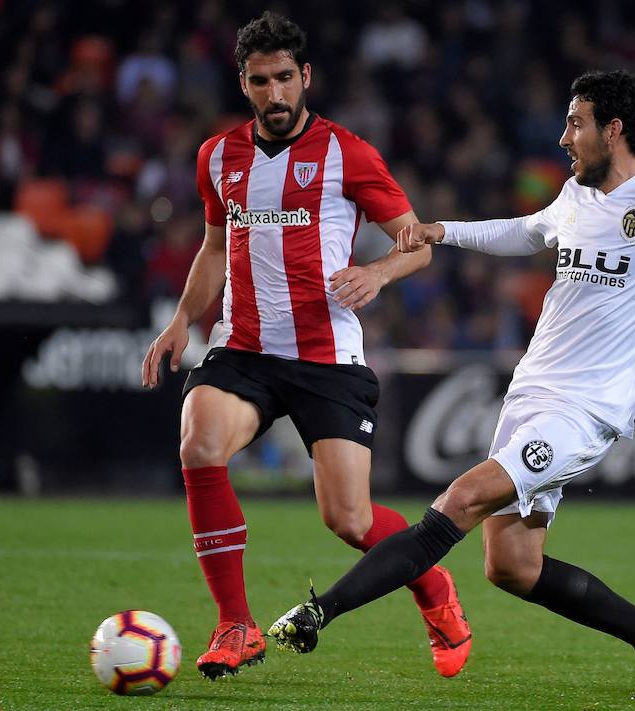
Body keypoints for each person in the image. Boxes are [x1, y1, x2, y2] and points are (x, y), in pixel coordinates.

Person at [268, 69, 635, 699]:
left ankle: (319, 613)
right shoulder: (576, 197)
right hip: (530, 394)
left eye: (575, 123)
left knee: (460, 501)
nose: (564, 137)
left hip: (585, 412)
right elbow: (525, 231)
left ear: (613, 130)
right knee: (512, 568)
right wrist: (444, 231)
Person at [141, 11, 471, 681]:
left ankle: (433, 588)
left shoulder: (347, 152)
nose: (275, 94)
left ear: (306, 76)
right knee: (199, 445)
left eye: (285, 78)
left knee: (348, 518)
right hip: (245, 351)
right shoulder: (217, 157)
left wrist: (378, 271)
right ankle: (234, 623)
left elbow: (417, 244)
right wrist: (182, 320)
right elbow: (212, 247)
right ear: (244, 83)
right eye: (261, 82)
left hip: (326, 357)